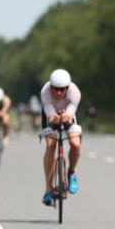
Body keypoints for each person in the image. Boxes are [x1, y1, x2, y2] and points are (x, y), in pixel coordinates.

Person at [40, 69, 82, 206]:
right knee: (50, 144)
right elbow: (51, 116)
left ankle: (71, 172)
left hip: (69, 115)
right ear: (50, 87)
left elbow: (69, 115)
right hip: (51, 116)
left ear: (67, 88)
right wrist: (55, 118)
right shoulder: (45, 92)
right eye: (55, 89)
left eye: (62, 89)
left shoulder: (75, 92)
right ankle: (48, 189)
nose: (58, 93)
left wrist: (65, 116)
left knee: (75, 144)